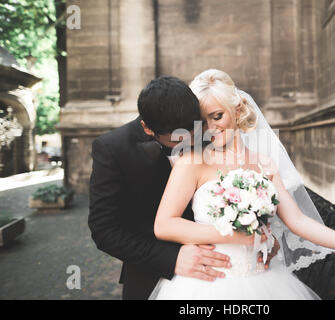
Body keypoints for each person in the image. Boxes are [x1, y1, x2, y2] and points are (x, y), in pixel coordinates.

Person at [150, 69, 335, 300]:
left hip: (266, 278)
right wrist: (234, 236)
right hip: (208, 282)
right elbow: (164, 224)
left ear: (238, 109)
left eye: (217, 116)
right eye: (203, 119)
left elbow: (298, 221)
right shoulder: (193, 162)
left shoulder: (263, 163)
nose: (210, 128)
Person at [88, 76, 278, 300]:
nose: (191, 139)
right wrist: (172, 258)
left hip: (232, 269)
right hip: (152, 270)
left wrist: (261, 236)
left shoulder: (208, 130)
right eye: (177, 137)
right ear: (147, 129)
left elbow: (245, 186)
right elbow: (105, 230)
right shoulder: (113, 149)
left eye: (194, 128)